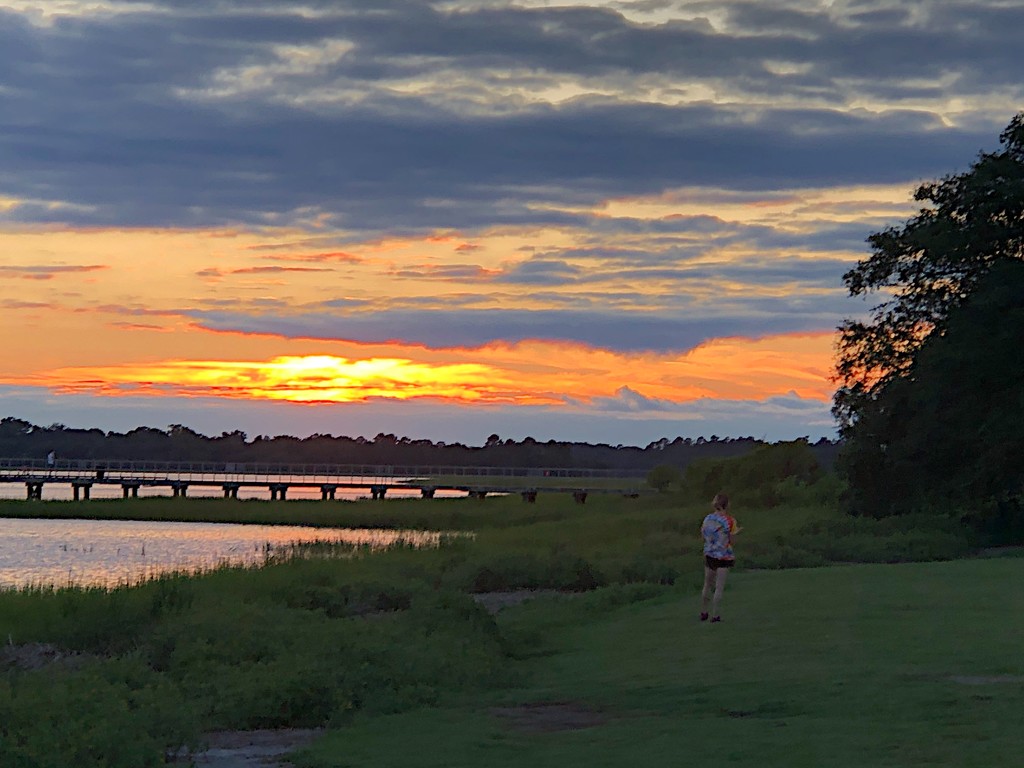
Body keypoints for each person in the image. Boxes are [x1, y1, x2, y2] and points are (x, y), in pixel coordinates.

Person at [700, 492, 741, 623]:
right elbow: (732, 540)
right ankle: (715, 614)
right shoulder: (730, 521)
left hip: (710, 554)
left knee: (707, 584)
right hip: (724, 556)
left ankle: (703, 611)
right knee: (719, 586)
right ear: (727, 505)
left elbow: (703, 533)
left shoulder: (708, 518)